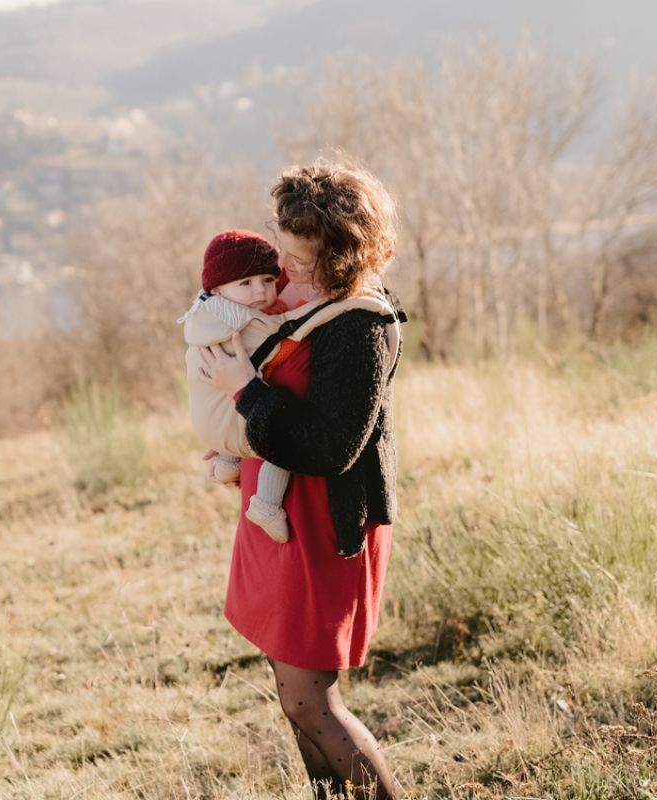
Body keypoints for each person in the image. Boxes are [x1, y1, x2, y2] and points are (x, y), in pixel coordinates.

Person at [197, 161, 403, 800]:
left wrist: (245, 391)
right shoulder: (286, 289)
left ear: (344, 257)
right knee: (293, 699)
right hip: (278, 511)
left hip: (321, 520)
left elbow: (332, 447)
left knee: (313, 701)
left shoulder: (361, 327)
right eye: (282, 249)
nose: (286, 268)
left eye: (302, 260)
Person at [182, 229, 294, 542]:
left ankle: (228, 458)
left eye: (269, 280)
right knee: (282, 434)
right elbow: (289, 332)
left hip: (213, 427)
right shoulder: (242, 325)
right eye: (246, 283)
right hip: (238, 428)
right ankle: (267, 504)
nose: (261, 290)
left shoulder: (207, 317)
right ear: (217, 288)